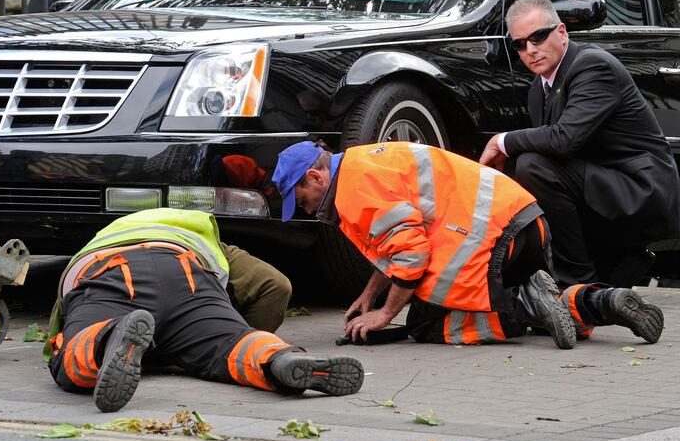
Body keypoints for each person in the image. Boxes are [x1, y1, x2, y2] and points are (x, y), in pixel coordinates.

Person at [273, 140, 664, 348]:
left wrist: (384, 315)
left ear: (316, 176)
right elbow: (393, 243)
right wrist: (369, 294)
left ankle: (528, 303)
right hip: (527, 223)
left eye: (300, 197)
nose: (304, 207)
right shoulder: (363, 161)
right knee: (548, 315)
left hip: (488, 241)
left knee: (428, 324)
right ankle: (601, 302)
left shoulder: (354, 191)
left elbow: (410, 255)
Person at [44, 208, 363, 412]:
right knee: (232, 345)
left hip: (110, 270)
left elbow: (59, 323)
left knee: (73, 353)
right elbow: (275, 286)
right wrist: (223, 331)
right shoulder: (206, 240)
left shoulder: (103, 238)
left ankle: (109, 337)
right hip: (185, 271)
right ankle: (280, 360)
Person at [479, 0, 680, 289]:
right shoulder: (539, 88)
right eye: (519, 44)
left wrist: (502, 141)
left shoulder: (593, 66)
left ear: (561, 32)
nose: (530, 49)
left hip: (641, 192)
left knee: (533, 166)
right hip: (601, 184)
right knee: (528, 168)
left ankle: (577, 286)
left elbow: (564, 140)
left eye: (538, 37)